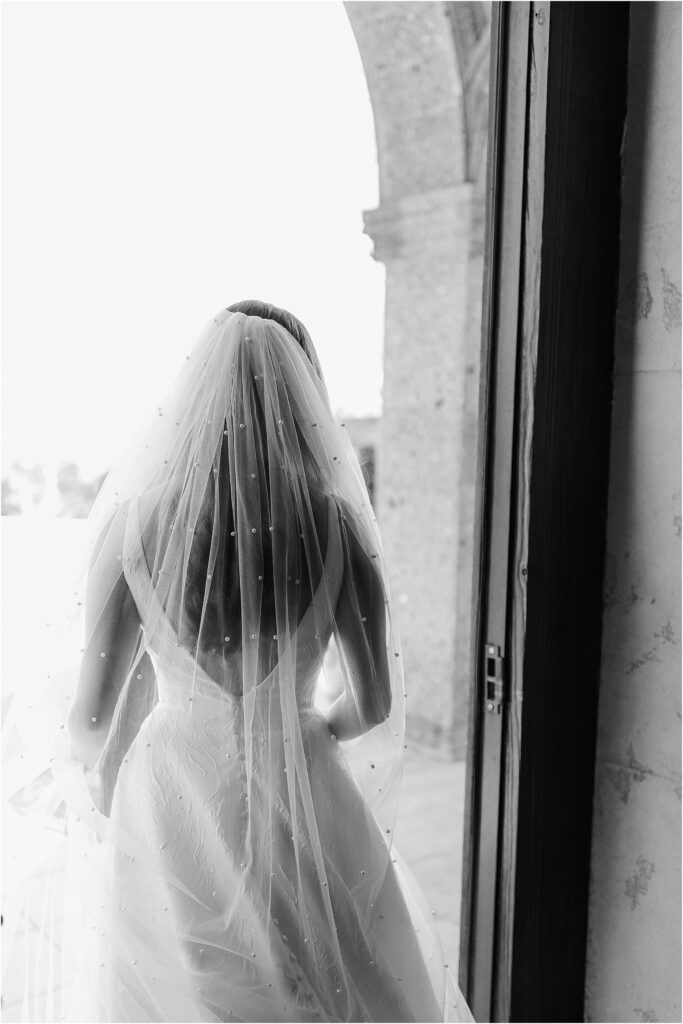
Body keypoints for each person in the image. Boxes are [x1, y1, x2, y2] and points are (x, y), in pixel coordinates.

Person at [2, 302, 474, 1023]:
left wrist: (86, 777)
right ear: (302, 400)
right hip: (301, 774)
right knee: (339, 978)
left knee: (191, 988)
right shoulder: (338, 524)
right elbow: (373, 702)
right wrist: (295, 729)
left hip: (172, 786)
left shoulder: (137, 524)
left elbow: (92, 718)